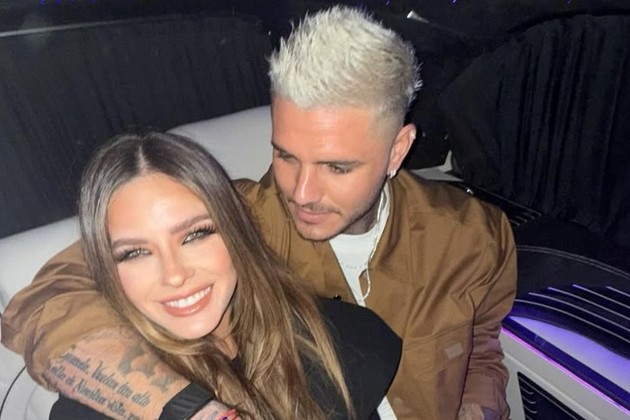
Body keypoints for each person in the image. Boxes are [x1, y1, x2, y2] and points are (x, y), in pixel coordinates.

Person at [2, 5, 517, 420]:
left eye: (337, 166)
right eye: (285, 156)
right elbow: (47, 300)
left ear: (397, 150)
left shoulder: (475, 234)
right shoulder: (231, 222)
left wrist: (477, 409)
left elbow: (482, 348)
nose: (301, 193)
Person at [45, 131, 402, 420]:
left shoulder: (327, 340)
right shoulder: (100, 404)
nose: (174, 275)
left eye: (195, 235)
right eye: (135, 253)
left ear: (234, 231)